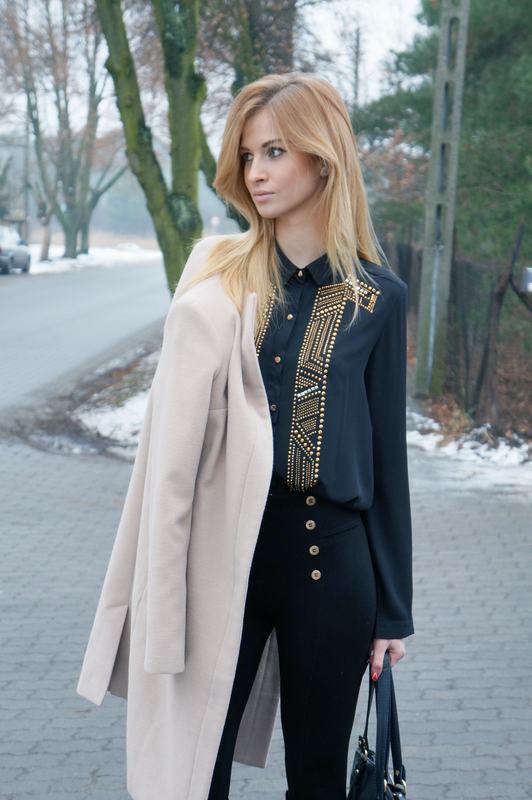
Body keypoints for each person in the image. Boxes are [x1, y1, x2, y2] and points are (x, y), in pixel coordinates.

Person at [77, 73, 413, 800]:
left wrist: (394, 611)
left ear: (323, 158)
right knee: (194, 774)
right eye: (249, 154)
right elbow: (172, 442)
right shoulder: (217, 282)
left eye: (276, 151)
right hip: (220, 554)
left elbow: (388, 462)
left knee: (319, 780)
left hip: (331, 562)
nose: (256, 171)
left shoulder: (378, 298)